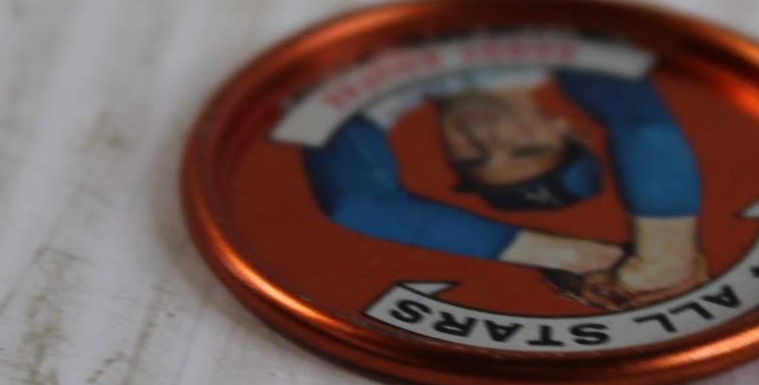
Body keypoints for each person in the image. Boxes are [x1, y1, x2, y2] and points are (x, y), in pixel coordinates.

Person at [302, 67, 705, 302]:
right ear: (567, 130)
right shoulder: (557, 56)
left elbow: (357, 202)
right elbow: (646, 129)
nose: (486, 140)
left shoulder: (374, 98)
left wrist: (561, 257)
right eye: (525, 149)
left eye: (472, 160)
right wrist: (664, 256)